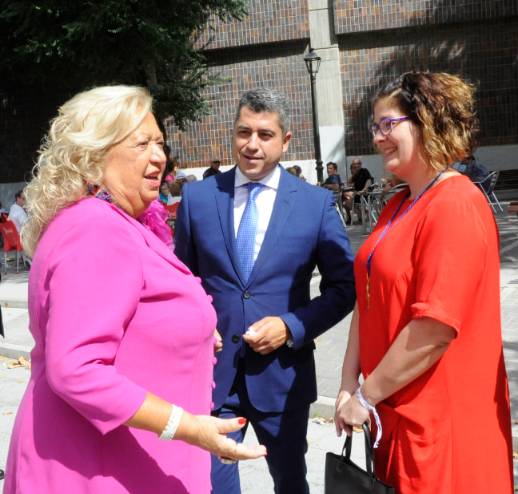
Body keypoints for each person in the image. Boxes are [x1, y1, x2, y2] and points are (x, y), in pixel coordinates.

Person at [4, 85, 265, 494]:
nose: (159, 156)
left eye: (160, 143)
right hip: (96, 472)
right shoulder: (96, 228)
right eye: (142, 144)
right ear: (93, 156)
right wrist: (186, 425)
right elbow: (76, 368)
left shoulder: (113, 223)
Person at [334, 71, 513, 493]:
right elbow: (367, 299)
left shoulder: (455, 203)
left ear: (427, 123)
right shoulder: (398, 204)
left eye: (388, 124)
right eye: (374, 126)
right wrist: (346, 386)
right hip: (393, 411)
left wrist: (365, 396)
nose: (377, 138)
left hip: (439, 421)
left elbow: (434, 329)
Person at [175, 88, 356, 494]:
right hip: (213, 377)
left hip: (282, 379)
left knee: (290, 482)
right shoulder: (198, 198)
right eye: (244, 132)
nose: (252, 144)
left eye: (265, 134)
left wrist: (292, 326)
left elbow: (344, 288)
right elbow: (182, 280)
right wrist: (198, 320)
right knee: (213, 484)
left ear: (285, 140)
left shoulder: (314, 205)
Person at [342, 158, 373, 224]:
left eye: (357, 164)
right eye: (354, 164)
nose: (356, 165)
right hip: (358, 194)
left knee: (346, 202)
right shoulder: (356, 174)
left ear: (360, 164)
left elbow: (369, 180)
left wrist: (364, 189)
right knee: (345, 201)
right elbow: (348, 183)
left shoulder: (364, 171)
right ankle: (359, 216)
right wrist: (354, 174)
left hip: (365, 194)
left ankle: (361, 215)